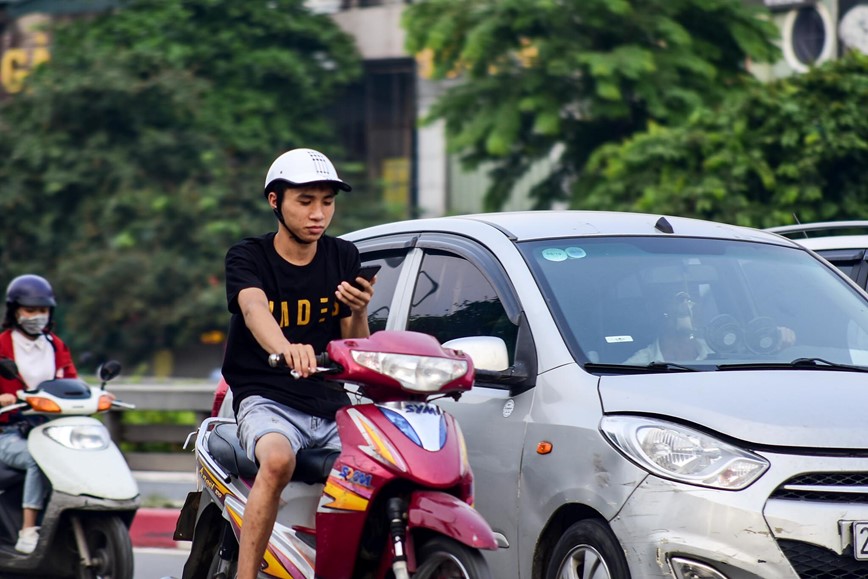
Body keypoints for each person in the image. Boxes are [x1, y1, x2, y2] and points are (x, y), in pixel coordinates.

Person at [221, 148, 374, 579]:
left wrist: (360, 310)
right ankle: (246, 575)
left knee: (380, 468)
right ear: (275, 201)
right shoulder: (248, 256)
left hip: (328, 403)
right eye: (305, 201)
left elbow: (354, 346)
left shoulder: (343, 256)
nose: (318, 213)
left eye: (327, 202)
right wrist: (287, 348)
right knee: (276, 460)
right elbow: (254, 309)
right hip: (266, 398)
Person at [0, 274, 77, 554]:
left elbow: (71, 381)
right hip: (8, 433)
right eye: (30, 310)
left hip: (48, 429)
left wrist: (95, 395)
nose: (37, 316)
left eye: (42, 310)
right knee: (37, 459)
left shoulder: (55, 345)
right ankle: (28, 530)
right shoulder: (2, 345)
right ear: (15, 311)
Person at [624, 290, 795, 364]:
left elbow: (755, 358)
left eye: (692, 300)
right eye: (677, 300)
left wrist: (778, 342)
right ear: (661, 314)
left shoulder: (724, 350)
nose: (687, 306)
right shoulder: (638, 365)